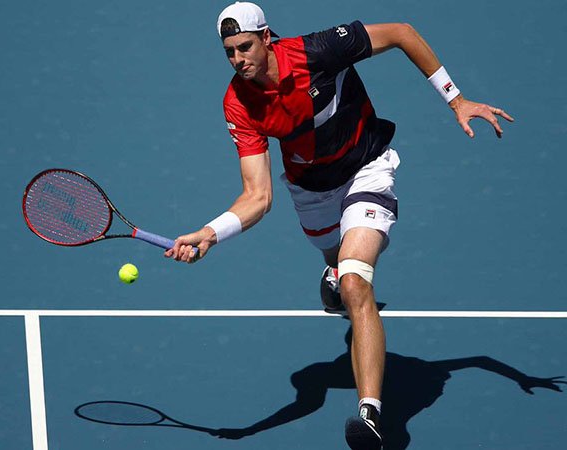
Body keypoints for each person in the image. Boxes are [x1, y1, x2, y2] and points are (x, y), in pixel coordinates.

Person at [165, 2, 514, 449]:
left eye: (245, 47)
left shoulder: (320, 51)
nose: (238, 60)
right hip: (310, 189)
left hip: (366, 167)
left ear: (267, 37)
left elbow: (404, 33)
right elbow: (258, 197)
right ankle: (334, 269)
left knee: (355, 283)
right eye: (229, 52)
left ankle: (371, 415)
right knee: (335, 260)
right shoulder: (239, 103)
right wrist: (210, 233)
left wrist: (456, 99)